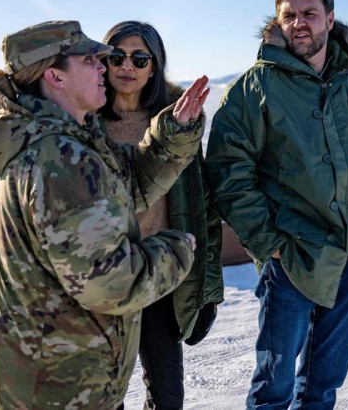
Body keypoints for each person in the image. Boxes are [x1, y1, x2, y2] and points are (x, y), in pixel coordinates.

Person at [0, 20, 209, 409]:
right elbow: (109, 283)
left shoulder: (69, 141)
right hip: (61, 384)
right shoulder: (60, 159)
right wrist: (176, 250)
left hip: (67, 372)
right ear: (55, 77)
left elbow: (130, 186)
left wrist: (172, 135)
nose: (105, 67)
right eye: (90, 60)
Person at [206, 0, 348, 409]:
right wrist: (268, 242)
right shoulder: (254, 88)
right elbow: (227, 171)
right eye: (289, 15)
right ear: (277, 22)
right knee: (273, 389)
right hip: (292, 256)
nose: (299, 23)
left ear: (330, 20)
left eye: (309, 13)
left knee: (323, 384)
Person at [100, 21, 224, 410]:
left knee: (168, 396)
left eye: (139, 59)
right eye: (117, 56)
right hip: (103, 279)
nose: (127, 66)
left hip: (159, 273)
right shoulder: (86, 121)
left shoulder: (176, 125)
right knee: (104, 396)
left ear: (154, 66)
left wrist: (208, 290)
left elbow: (202, 207)